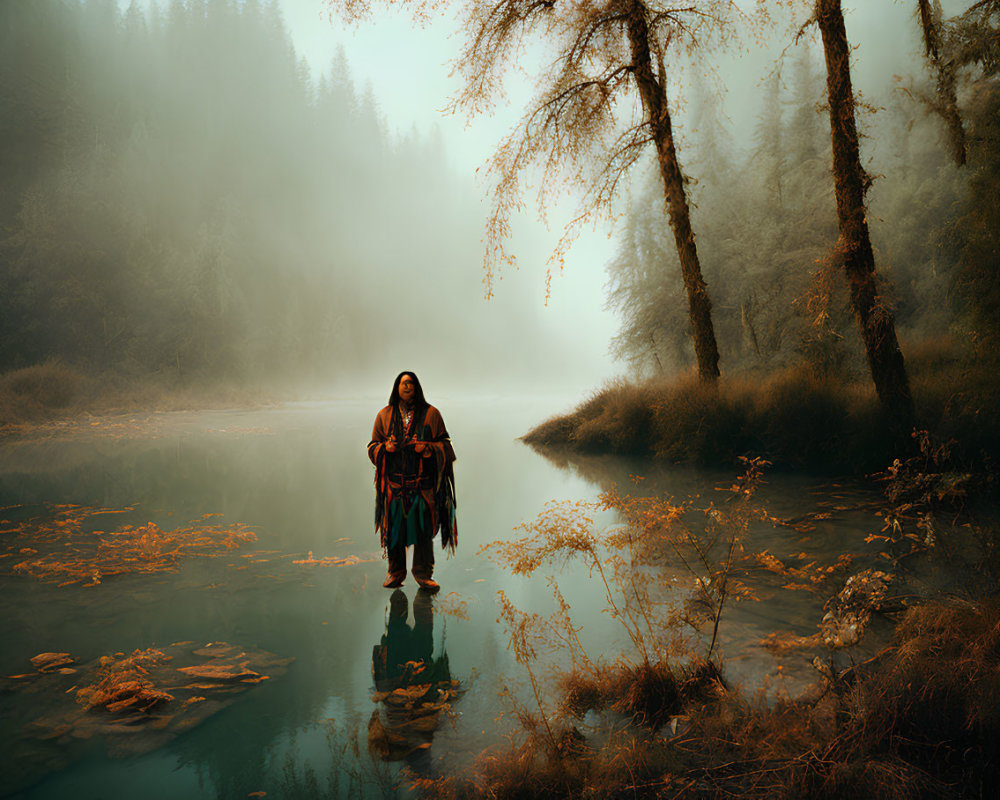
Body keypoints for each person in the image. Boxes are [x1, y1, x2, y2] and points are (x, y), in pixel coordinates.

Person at [367, 372, 457, 590]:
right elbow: (372, 447)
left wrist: (427, 449)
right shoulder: (384, 415)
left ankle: (424, 574)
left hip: (422, 487)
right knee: (395, 532)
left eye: (411, 383)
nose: (407, 386)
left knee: (423, 533)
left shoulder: (431, 414)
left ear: (417, 387)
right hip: (395, 487)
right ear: (396, 387)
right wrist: (385, 448)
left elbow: (447, 446)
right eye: (403, 383)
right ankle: (395, 573)